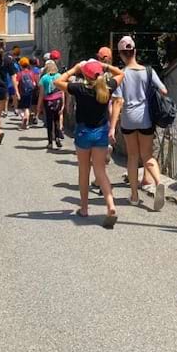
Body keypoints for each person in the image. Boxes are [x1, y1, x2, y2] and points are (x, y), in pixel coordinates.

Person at [55, 60, 124, 228]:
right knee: (100, 171)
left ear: (85, 75)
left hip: (83, 133)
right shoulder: (107, 86)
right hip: (101, 133)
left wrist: (74, 69)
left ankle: (84, 208)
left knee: (84, 171)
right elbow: (121, 74)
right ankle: (111, 205)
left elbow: (58, 82)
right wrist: (105, 66)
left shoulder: (80, 89)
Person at [110, 36, 167, 211]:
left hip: (128, 119)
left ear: (121, 54)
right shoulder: (148, 71)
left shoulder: (120, 74)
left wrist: (112, 127)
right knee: (148, 156)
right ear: (135, 51)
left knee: (133, 157)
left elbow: (118, 101)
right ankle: (158, 182)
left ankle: (134, 196)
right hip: (146, 119)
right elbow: (164, 91)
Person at [37, 60, 64, 150]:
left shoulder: (44, 78)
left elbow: (41, 94)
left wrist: (39, 106)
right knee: (56, 120)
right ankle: (57, 137)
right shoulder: (59, 76)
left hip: (48, 101)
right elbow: (62, 91)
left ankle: (50, 142)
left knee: (49, 121)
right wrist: (63, 104)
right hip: (58, 100)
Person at [15, 57, 38, 130]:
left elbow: (16, 83)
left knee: (20, 109)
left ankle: (23, 118)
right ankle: (26, 124)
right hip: (30, 93)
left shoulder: (19, 74)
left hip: (22, 93)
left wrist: (17, 92)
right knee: (27, 108)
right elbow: (34, 84)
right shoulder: (31, 73)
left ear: (21, 65)